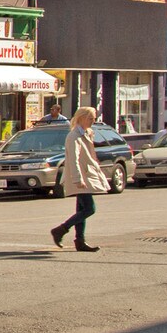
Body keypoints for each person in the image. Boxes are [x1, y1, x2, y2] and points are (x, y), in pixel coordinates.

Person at [50, 106, 109, 252]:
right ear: (81, 117)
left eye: (94, 118)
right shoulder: (73, 136)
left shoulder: (87, 133)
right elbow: (73, 159)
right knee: (90, 209)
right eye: (90, 118)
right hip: (81, 177)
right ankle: (61, 229)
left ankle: (80, 241)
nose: (93, 121)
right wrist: (77, 178)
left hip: (86, 175)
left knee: (81, 209)